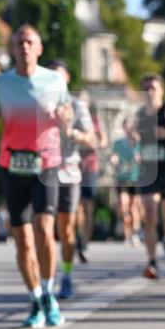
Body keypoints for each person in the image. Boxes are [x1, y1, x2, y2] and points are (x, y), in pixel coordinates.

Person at [0, 25, 69, 328]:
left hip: (46, 163)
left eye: (30, 41)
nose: (25, 47)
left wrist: (64, 117)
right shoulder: (1, 82)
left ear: (39, 48)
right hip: (13, 164)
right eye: (19, 42)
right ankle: (34, 298)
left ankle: (48, 294)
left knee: (45, 229)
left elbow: (66, 111)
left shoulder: (54, 79)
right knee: (23, 240)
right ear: (13, 48)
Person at [46, 60, 95, 299]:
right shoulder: (39, 104)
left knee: (66, 230)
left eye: (59, 76)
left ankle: (66, 275)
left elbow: (91, 139)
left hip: (69, 172)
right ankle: (46, 281)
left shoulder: (77, 105)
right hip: (42, 172)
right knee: (44, 229)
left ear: (66, 79)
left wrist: (71, 133)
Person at [136, 74, 165, 278]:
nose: (150, 92)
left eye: (153, 88)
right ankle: (152, 261)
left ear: (161, 91)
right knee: (149, 212)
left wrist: (164, 132)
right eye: (146, 89)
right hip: (148, 168)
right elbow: (135, 138)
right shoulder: (140, 114)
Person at [76, 94, 107, 262]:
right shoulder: (72, 118)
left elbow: (103, 140)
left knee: (87, 207)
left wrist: (93, 142)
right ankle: (77, 238)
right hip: (72, 167)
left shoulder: (95, 120)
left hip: (90, 167)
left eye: (84, 101)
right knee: (75, 207)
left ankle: (84, 243)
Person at [110, 118, 142, 244]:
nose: (128, 129)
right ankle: (126, 231)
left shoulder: (139, 142)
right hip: (122, 178)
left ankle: (134, 232)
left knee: (133, 207)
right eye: (126, 126)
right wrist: (114, 160)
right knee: (123, 205)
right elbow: (114, 155)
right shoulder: (118, 143)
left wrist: (139, 159)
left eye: (130, 126)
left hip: (135, 178)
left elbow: (143, 157)